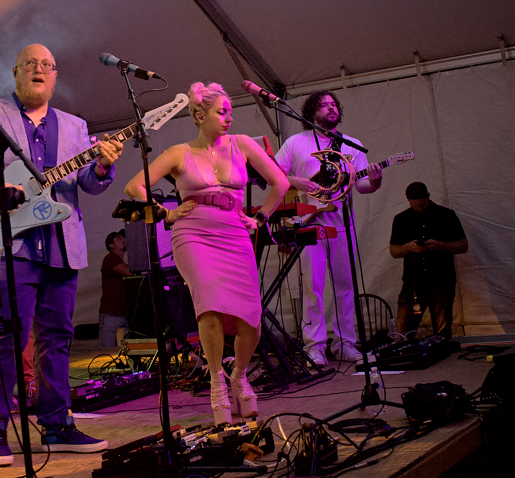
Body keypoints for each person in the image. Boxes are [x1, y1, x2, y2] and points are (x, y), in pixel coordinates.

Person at [0, 43, 123, 466]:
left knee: (57, 339)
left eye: (48, 65)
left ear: (55, 76)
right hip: (13, 245)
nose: (40, 70)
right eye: (31, 64)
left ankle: (57, 425)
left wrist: (103, 166)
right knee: (8, 338)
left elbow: (89, 186)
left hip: (61, 246)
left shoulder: (75, 126)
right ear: (16, 72)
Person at [124, 82, 288, 425]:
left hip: (234, 232)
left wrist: (259, 218)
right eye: (221, 111)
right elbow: (134, 186)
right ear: (199, 115)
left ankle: (239, 374)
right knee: (209, 304)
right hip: (193, 234)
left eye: (230, 111)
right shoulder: (178, 152)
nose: (228, 118)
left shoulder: (241, 145)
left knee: (251, 317)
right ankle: (217, 381)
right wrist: (165, 214)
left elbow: (281, 182)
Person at [275, 90, 382, 368]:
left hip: (341, 224)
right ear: (312, 112)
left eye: (334, 105)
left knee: (345, 287)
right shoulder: (295, 143)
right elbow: (272, 175)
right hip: (308, 225)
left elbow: (361, 185)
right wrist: (296, 181)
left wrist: (375, 181)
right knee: (313, 287)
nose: (331, 108)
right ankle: (314, 346)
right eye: (324, 105)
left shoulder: (351, 145)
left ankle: (345, 343)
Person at [389, 182, 468, 339]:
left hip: (441, 281)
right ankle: (407, 355)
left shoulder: (446, 215)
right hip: (413, 282)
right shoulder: (401, 219)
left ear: (428, 197)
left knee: (442, 330)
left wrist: (440, 245)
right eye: (414, 206)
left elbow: (463, 245)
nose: (418, 209)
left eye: (422, 205)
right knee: (404, 328)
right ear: (409, 201)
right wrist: (408, 247)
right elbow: (394, 251)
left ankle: (442, 354)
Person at [99, 229, 130, 348]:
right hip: (111, 314)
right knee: (106, 351)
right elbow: (128, 271)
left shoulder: (120, 260)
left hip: (123, 313)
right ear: (111, 245)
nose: (123, 239)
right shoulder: (110, 258)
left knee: (127, 350)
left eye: (124, 237)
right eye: (119, 238)